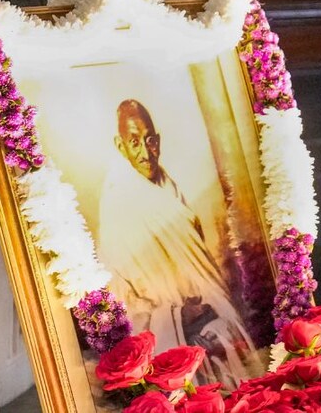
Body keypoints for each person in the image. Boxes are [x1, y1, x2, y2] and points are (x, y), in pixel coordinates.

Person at [98, 98, 262, 388]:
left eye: (150, 141)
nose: (145, 152)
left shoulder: (169, 188)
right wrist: (176, 316)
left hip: (207, 315)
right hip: (168, 329)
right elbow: (120, 299)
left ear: (158, 141)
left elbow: (199, 267)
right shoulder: (116, 205)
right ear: (120, 145)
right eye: (134, 141)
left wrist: (212, 308)